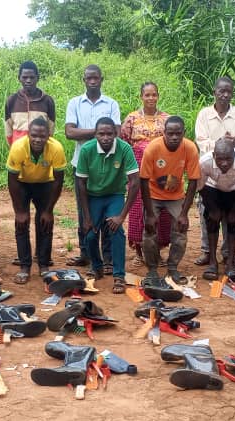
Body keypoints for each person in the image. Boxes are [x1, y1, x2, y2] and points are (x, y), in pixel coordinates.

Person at [65, 64, 121, 268]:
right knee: (84, 212)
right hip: (82, 164)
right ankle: (86, 254)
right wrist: (99, 131)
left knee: (106, 212)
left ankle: (107, 258)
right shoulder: (75, 103)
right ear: (84, 80)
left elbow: (116, 131)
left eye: (96, 77)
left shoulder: (111, 104)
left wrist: (91, 132)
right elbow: (70, 133)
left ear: (101, 79)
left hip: (107, 164)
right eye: (88, 78)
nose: (92, 81)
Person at [76, 118, 140, 293]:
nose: (105, 137)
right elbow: (81, 183)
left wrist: (121, 216)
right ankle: (97, 266)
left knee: (116, 230)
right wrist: (87, 217)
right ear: (95, 134)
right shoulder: (87, 150)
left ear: (116, 134)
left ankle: (119, 275)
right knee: (89, 234)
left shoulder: (124, 148)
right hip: (93, 196)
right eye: (101, 134)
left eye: (109, 134)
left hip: (114, 195)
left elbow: (135, 182)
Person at [193, 76, 235, 266]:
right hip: (210, 170)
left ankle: (226, 253)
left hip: (233, 171)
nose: (225, 95)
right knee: (208, 213)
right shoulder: (204, 114)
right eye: (221, 91)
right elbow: (201, 142)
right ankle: (207, 251)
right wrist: (224, 144)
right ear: (214, 92)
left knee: (231, 215)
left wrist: (230, 145)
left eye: (229, 92)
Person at [139, 116, 200, 285]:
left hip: (176, 195)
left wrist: (184, 213)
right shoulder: (153, 148)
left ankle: (173, 267)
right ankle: (152, 269)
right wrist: (150, 213)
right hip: (153, 193)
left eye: (178, 134)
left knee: (180, 231)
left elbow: (193, 180)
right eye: (170, 133)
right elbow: (143, 180)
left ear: (184, 133)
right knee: (150, 231)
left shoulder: (190, 148)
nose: (174, 137)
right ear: (163, 133)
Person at [6, 117, 66, 284]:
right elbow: (12, 180)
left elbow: (58, 180)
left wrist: (48, 210)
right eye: (34, 135)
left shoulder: (56, 148)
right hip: (22, 184)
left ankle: (44, 265)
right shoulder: (18, 147)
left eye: (42, 136)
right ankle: (25, 267)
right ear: (28, 135)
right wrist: (19, 211)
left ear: (48, 135)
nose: (38, 139)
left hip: (45, 185)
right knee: (21, 223)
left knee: (45, 222)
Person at [120, 82, 173, 267]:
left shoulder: (167, 119)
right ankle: (139, 252)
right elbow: (124, 144)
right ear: (141, 97)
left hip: (162, 171)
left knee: (161, 210)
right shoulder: (131, 119)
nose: (151, 98)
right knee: (138, 209)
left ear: (158, 96)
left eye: (154, 95)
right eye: (147, 95)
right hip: (138, 172)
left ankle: (157, 251)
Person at [199, 136, 235, 280]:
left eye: (228, 159)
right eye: (220, 159)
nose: (224, 163)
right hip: (212, 189)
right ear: (213, 155)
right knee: (212, 220)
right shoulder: (204, 162)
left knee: (234, 222)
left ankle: (230, 264)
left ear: (234, 155)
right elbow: (200, 187)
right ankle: (212, 262)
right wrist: (212, 208)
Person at [4, 61, 56, 145]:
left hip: (40, 150)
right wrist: (13, 148)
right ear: (19, 78)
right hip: (18, 149)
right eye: (25, 77)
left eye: (32, 77)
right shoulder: (12, 100)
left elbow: (50, 129)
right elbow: (8, 129)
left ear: (37, 78)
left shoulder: (47, 101)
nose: (28, 80)